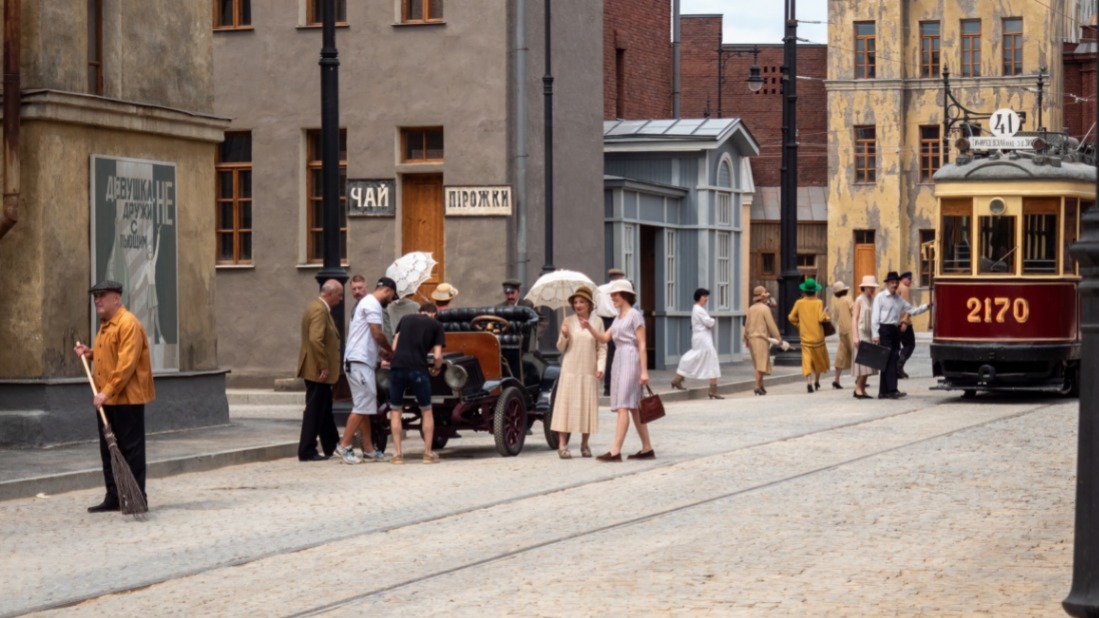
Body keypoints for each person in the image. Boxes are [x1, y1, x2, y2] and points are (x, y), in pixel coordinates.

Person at [73, 280, 156, 513]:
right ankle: (115, 496)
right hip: (107, 399)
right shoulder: (106, 325)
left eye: (102, 295)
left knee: (131, 450)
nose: (97, 300)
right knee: (109, 449)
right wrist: (89, 353)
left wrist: (106, 392)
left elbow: (126, 365)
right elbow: (107, 356)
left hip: (127, 399)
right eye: (95, 296)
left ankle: (137, 496)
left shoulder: (128, 324)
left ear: (116, 299)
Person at [581, 279, 652, 462]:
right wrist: (589, 327)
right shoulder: (618, 317)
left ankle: (615, 450)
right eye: (612, 295)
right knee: (634, 407)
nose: (613, 298)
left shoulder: (634, 315)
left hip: (631, 358)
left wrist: (644, 371)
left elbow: (642, 345)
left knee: (623, 406)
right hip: (619, 358)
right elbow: (604, 338)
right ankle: (647, 447)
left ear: (625, 295)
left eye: (616, 295)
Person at [333, 277, 397, 464]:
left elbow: (367, 336)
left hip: (360, 361)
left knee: (366, 405)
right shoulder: (372, 304)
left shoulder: (367, 303)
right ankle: (343, 446)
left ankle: (368, 449)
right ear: (387, 291)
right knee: (362, 406)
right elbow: (376, 333)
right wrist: (390, 350)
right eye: (392, 296)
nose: (391, 300)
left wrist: (381, 352)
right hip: (359, 362)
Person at [551, 286, 606, 459]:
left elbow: (602, 347)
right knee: (565, 407)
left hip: (588, 369)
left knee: (586, 407)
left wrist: (600, 367)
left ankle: (584, 444)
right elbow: (560, 347)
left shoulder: (597, 322)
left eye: (582, 302)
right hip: (570, 369)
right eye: (575, 302)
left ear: (589, 304)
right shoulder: (568, 320)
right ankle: (562, 445)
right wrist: (564, 334)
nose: (578, 305)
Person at [388, 302, 446, 464]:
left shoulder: (405, 319)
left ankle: (397, 454)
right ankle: (428, 453)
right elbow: (437, 356)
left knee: (396, 410)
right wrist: (437, 369)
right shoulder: (436, 325)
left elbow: (394, 346)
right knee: (426, 410)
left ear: (419, 311)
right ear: (434, 313)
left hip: (397, 367)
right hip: (418, 369)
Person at [296, 279, 343, 461]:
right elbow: (316, 339)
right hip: (317, 370)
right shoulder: (319, 309)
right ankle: (307, 450)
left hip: (316, 368)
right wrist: (323, 365)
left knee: (324, 409)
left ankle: (333, 446)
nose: (340, 299)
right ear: (330, 294)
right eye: (339, 295)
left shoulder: (316, 307)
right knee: (315, 410)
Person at [872, 271, 931, 400]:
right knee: (889, 359)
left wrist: (926, 307)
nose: (894, 285)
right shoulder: (880, 297)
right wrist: (875, 334)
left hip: (894, 329)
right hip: (884, 329)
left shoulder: (899, 300)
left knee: (891, 359)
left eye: (896, 283)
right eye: (892, 282)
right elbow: (875, 317)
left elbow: (912, 310)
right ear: (887, 284)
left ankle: (884, 392)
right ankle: (892, 390)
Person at [671, 288, 724, 399]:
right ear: (698, 297)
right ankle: (712, 390)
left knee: (699, 358)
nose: (706, 299)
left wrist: (710, 321)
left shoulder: (697, 309)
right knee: (710, 360)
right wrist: (713, 321)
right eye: (704, 296)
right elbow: (709, 322)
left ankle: (678, 379)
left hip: (700, 338)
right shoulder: (698, 309)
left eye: (706, 296)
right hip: (703, 339)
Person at [787, 278, 831, 394]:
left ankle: (809, 382)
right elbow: (821, 318)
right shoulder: (819, 302)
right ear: (815, 291)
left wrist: (799, 325)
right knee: (818, 359)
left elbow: (791, 317)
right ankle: (817, 381)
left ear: (804, 291)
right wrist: (826, 313)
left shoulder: (799, 303)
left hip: (805, 336)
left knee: (807, 360)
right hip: (818, 336)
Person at [743, 286, 785, 396]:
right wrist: (778, 337)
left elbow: (747, 324)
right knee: (761, 363)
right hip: (761, 338)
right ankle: (757, 385)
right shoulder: (765, 309)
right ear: (763, 298)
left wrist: (746, 337)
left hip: (752, 338)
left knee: (759, 362)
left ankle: (761, 385)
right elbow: (771, 324)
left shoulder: (751, 308)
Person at [595, 268, 626, 396]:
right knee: (612, 355)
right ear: (620, 278)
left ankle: (606, 386)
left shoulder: (600, 289)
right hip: (614, 320)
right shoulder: (619, 291)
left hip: (600, 320)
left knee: (601, 352)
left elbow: (594, 307)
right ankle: (610, 386)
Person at [851, 275, 879, 400]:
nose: (872, 289)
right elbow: (855, 318)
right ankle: (858, 389)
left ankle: (861, 388)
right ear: (864, 287)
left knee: (868, 364)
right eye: (870, 287)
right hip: (862, 332)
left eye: (873, 287)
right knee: (864, 364)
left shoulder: (873, 300)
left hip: (870, 333)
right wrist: (855, 336)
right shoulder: (859, 300)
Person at [829, 281, 855, 389]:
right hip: (851, 330)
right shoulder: (848, 299)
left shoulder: (837, 302)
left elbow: (835, 317)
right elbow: (854, 313)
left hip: (842, 330)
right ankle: (859, 378)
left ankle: (836, 379)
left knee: (841, 355)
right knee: (856, 353)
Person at [897, 271, 916, 379]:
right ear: (903, 279)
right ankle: (898, 366)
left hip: (896, 322)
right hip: (904, 323)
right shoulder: (904, 288)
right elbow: (906, 307)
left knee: (899, 346)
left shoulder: (898, 287)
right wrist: (905, 321)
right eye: (909, 279)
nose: (910, 281)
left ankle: (899, 368)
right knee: (910, 345)